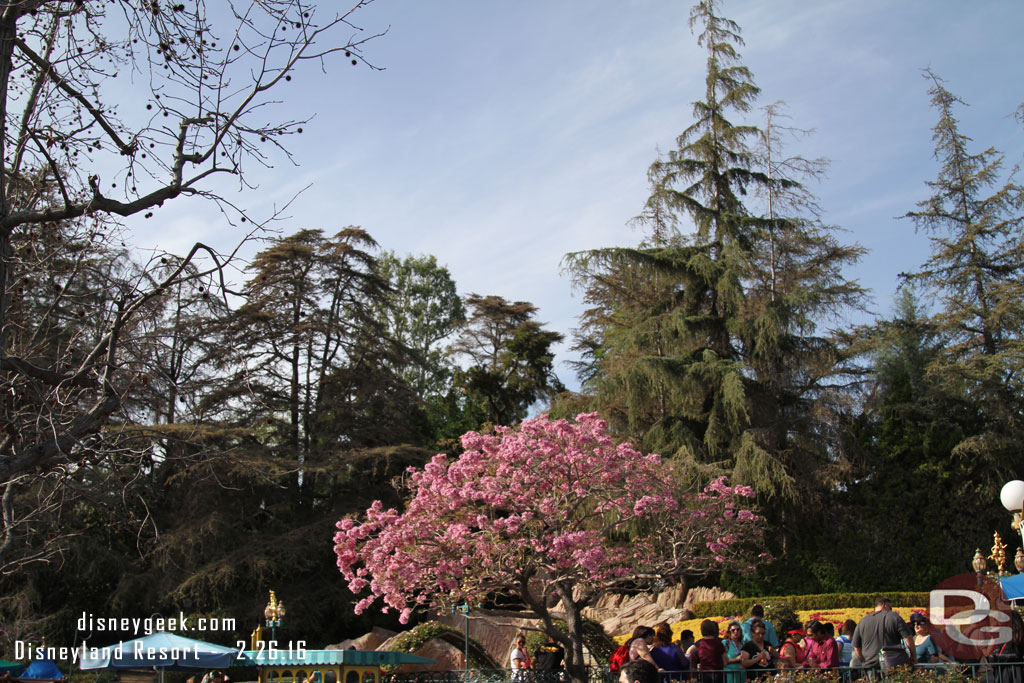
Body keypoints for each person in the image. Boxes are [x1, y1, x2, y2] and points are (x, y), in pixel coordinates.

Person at [851, 596, 916, 671]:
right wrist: (913, 657)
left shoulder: (862, 621)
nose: (890, 610)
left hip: (870, 667)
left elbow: (856, 647)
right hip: (892, 665)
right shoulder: (894, 617)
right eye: (890, 607)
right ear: (885, 605)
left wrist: (864, 661)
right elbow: (908, 638)